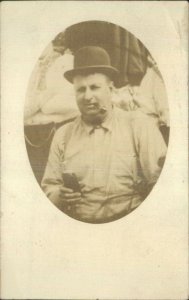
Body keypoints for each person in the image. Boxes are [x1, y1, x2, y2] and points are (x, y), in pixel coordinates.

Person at [41, 46, 167, 223]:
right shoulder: (63, 136)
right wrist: (59, 195)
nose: (87, 96)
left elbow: (161, 184)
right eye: (81, 90)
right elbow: (49, 188)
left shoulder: (139, 126)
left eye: (94, 87)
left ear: (111, 89)